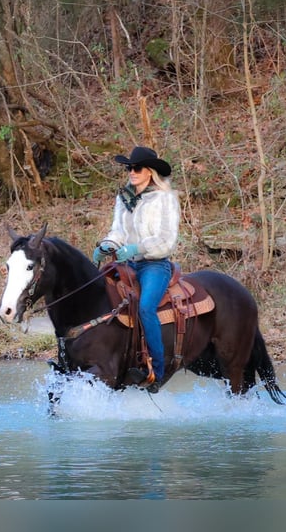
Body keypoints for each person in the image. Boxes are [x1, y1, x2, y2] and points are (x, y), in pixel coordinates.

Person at [93, 146, 180, 393]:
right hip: (126, 264)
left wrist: (135, 248)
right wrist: (106, 245)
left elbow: (166, 239)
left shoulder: (166, 199)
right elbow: (117, 231)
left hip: (154, 264)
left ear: (150, 172)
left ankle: (157, 372)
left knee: (145, 307)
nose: (132, 171)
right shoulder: (124, 198)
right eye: (129, 167)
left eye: (137, 168)